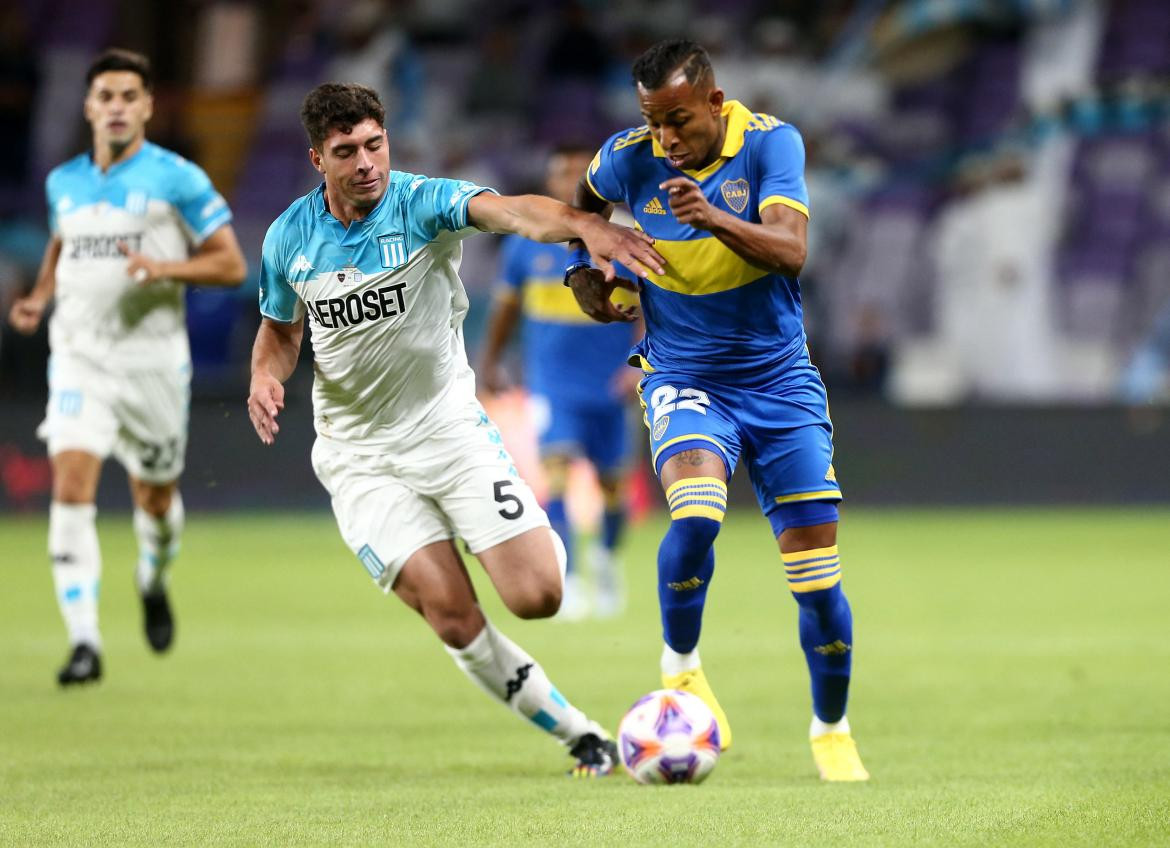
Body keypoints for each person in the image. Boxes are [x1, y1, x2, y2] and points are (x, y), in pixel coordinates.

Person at [246, 83, 664, 776]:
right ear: (318, 157)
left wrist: (584, 225)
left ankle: (513, 533)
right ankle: (580, 735)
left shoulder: (420, 202)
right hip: (360, 459)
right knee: (449, 612)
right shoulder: (289, 236)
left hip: (448, 433)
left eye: (374, 145)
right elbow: (281, 331)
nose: (365, 164)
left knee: (538, 596)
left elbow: (510, 212)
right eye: (345, 152)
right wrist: (266, 374)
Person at [566, 39, 869, 781]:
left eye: (678, 120)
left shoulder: (771, 144)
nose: (665, 138)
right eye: (652, 121)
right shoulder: (628, 158)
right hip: (683, 376)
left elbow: (792, 250)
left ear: (714, 102)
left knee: (819, 585)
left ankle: (831, 729)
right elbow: (581, 200)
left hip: (779, 384)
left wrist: (711, 218)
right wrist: (583, 264)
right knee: (696, 514)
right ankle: (682, 669)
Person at [7, 49, 247, 686]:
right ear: (88, 107)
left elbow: (230, 265)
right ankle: (84, 642)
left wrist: (165, 269)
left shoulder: (180, 179)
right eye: (105, 96)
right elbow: (63, 238)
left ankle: (154, 576)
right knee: (71, 486)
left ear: (145, 106)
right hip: (80, 361)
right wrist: (40, 294)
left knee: (155, 496)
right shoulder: (65, 182)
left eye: (128, 96)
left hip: (153, 367)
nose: (115, 107)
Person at [478, 145, 640, 620]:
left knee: (613, 489)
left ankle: (606, 560)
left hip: (611, 385)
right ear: (548, 180)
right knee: (557, 472)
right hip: (553, 385)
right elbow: (506, 309)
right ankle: (567, 577)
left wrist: (638, 364)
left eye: (578, 172)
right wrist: (489, 360)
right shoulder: (525, 244)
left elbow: (653, 307)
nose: (569, 180)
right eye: (561, 171)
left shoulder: (624, 237)